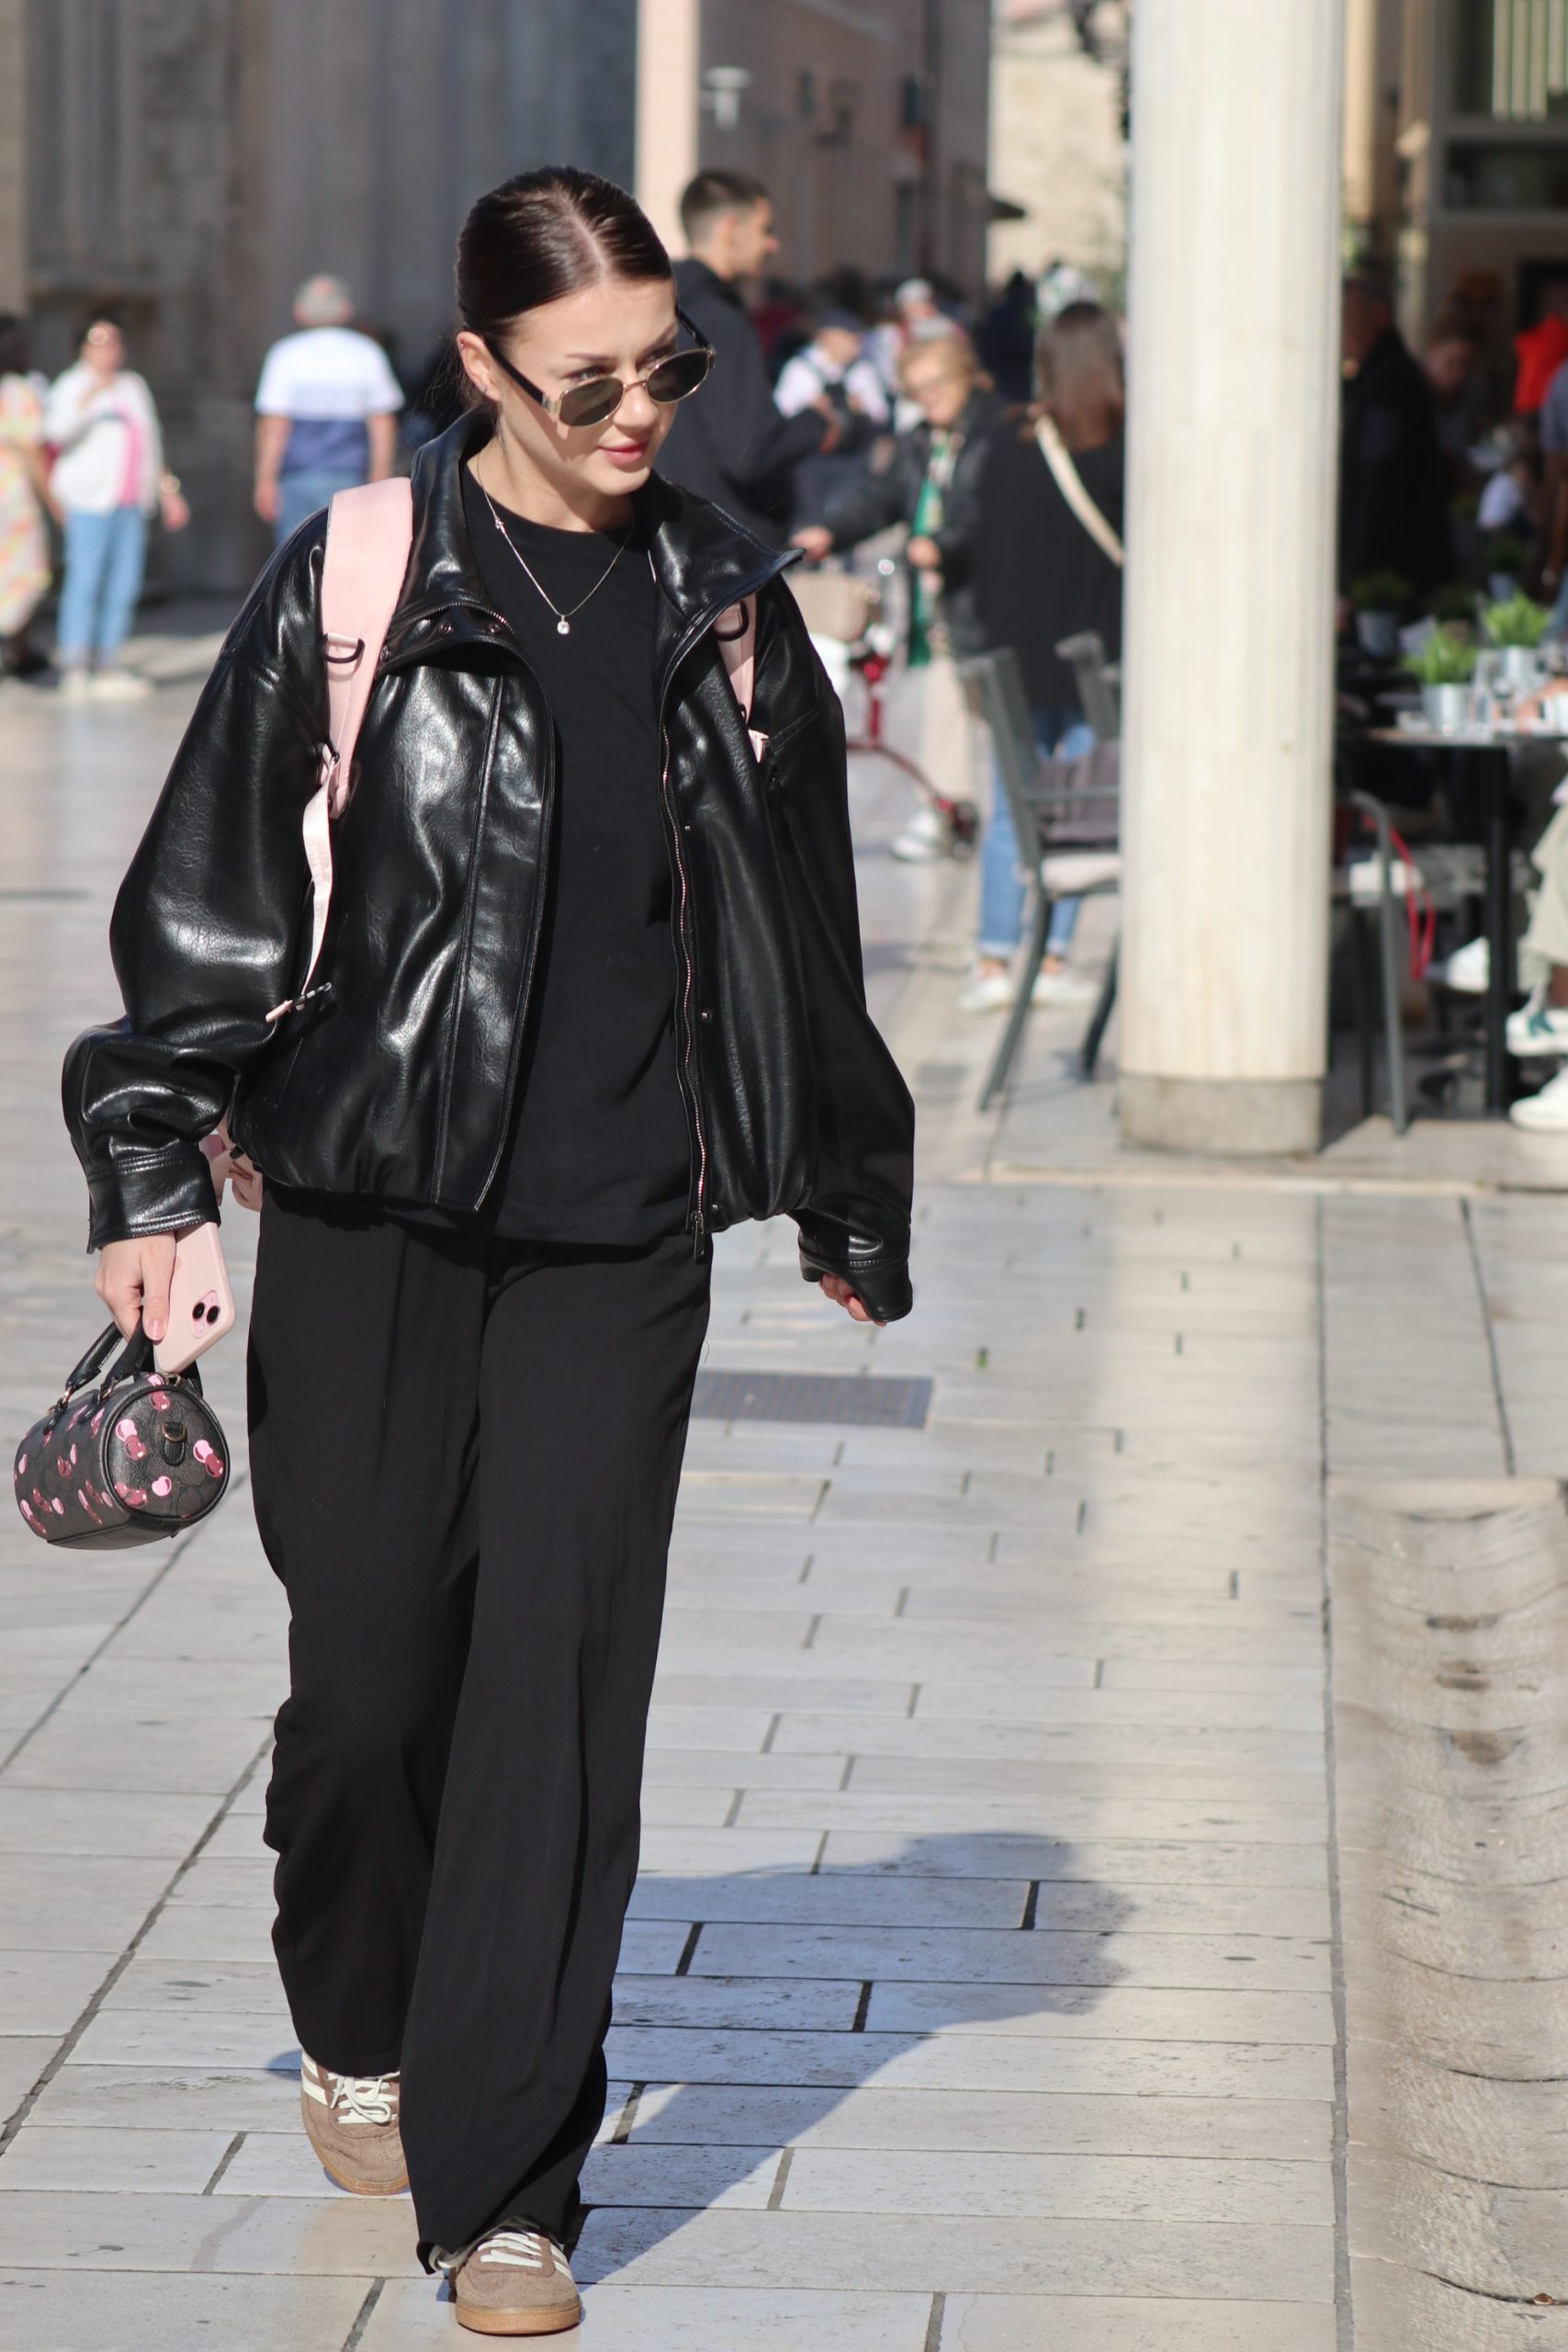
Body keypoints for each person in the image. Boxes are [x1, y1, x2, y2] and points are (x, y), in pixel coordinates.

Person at [62, 164, 914, 2339]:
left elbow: (803, 928)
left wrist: (843, 1173)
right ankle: (356, 2004)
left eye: (665, 368)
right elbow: (212, 893)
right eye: (584, 380)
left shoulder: (727, 608)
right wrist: (150, 1172)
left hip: (617, 1236)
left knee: (557, 1678)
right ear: (479, 367)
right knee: (366, 1682)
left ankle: (513, 2180)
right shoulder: (362, 571)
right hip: (365, 1204)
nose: (635, 414)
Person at [963, 300, 1125, 1013]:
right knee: (1080, 810)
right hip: (1093, 660)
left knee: (1012, 810)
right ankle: (1053, 956)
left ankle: (994, 959)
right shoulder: (1124, 450)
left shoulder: (1009, 439)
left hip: (1015, 660)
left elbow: (982, 546)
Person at [794, 334, 998, 857]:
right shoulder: (919, 440)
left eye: (936, 385)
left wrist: (944, 545)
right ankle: (948, 811)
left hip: (983, 598)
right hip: (937, 605)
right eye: (917, 390)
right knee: (944, 708)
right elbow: (879, 500)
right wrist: (831, 532)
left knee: (991, 716)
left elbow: (987, 513)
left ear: (964, 377)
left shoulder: (992, 433)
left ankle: (984, 818)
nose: (928, 399)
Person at [656, 169, 840, 539]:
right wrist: (817, 422)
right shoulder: (722, 322)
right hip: (723, 544)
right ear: (731, 230)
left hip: (668, 531)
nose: (773, 245)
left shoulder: (659, 313)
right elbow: (749, 453)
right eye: (765, 230)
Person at [45, 318, 188, 699]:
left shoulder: (133, 386)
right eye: (99, 341)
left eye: (114, 341)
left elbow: (151, 443)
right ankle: (75, 665)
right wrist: (91, 396)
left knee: (124, 583)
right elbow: (57, 432)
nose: (108, 349)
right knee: (85, 579)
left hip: (131, 500)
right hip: (89, 500)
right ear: (83, 347)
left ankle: (109, 663)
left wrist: (167, 490)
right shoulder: (71, 385)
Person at [254, 275, 404, 544]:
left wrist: (265, 479)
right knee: (350, 552)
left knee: (296, 554)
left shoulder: (286, 354)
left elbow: (275, 423)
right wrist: (380, 474)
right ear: (346, 310)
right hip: (353, 476)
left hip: (299, 476)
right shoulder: (366, 352)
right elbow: (382, 421)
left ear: (299, 311)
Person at [1338, 269, 1454, 609]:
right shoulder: (1379, 376)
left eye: (1346, 314)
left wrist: (1350, 581)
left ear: (1379, 314)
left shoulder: (1388, 382)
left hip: (1392, 581)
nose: (1340, 327)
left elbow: (1381, 480)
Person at [773, 306, 888, 526]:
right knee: (809, 522)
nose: (856, 342)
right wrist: (812, 409)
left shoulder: (863, 371)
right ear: (828, 337)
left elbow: (881, 416)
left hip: (852, 459)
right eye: (849, 336)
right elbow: (781, 415)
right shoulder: (800, 369)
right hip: (810, 463)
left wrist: (860, 408)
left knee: (847, 519)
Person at [0, 314, 51, 678]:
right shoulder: (18, 391)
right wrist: (53, 500)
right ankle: (18, 649)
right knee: (24, 573)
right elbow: (33, 451)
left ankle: (19, 650)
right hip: (11, 496)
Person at [1515, 277, 1568, 415]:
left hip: (1526, 402)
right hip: (1545, 402)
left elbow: (1520, 345)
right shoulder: (1561, 335)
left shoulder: (1528, 338)